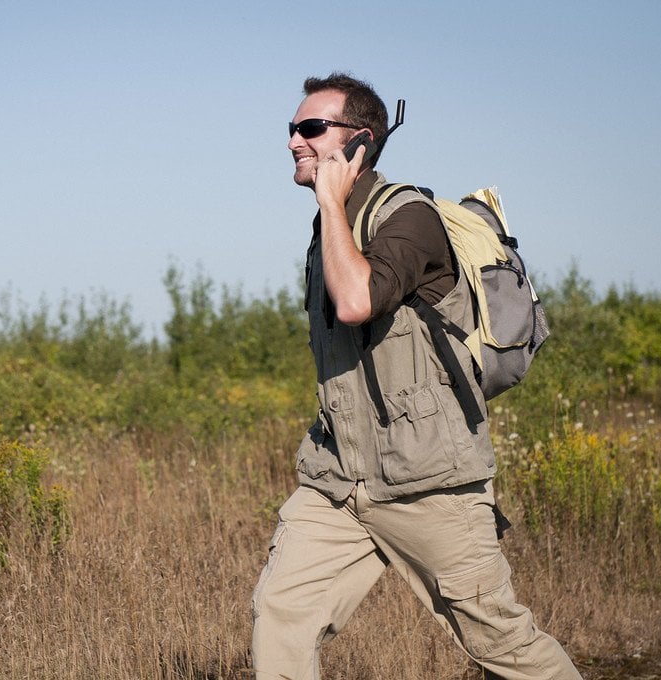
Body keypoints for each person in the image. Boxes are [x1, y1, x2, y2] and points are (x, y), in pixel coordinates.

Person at [250, 73, 582, 680]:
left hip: (427, 479)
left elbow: (355, 302)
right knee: (282, 612)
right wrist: (330, 213)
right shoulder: (327, 234)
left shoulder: (409, 217)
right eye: (291, 129)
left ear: (360, 143)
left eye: (311, 128)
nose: (294, 141)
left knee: (501, 641)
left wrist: (329, 202)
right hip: (339, 480)